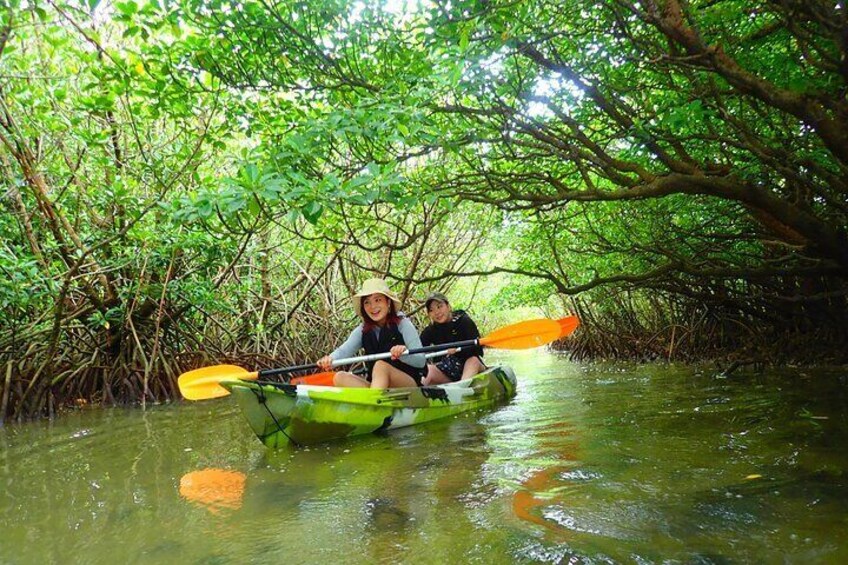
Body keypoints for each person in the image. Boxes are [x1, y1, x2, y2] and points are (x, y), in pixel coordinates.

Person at [317, 278, 427, 388]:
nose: (373, 306)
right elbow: (344, 350)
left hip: (408, 386)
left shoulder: (403, 324)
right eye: (367, 302)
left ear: (388, 302)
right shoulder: (362, 330)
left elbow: (420, 361)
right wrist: (330, 359)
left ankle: (374, 401)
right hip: (378, 387)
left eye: (378, 300)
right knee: (340, 377)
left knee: (380, 366)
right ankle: (374, 399)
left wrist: (403, 354)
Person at [419, 292, 486, 385]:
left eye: (439, 306)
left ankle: (462, 387)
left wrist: (459, 350)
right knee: (429, 369)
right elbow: (418, 348)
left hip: (471, 366)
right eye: (431, 310)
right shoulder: (430, 330)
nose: (437, 312)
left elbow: (478, 350)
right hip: (448, 371)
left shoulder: (464, 321)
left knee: (473, 360)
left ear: (448, 306)